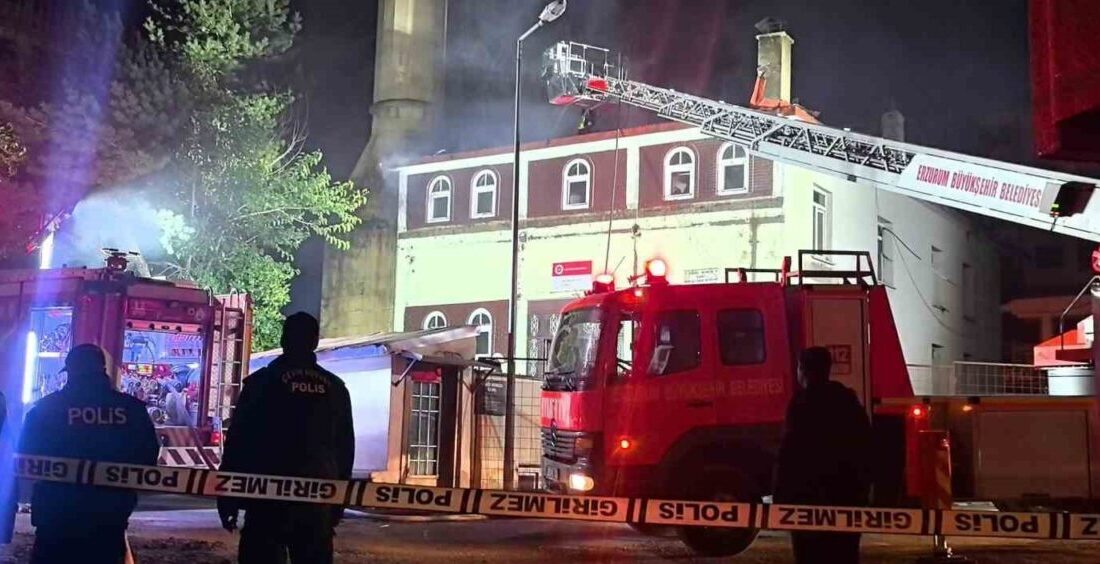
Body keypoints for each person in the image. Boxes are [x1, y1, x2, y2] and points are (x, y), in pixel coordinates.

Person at [218, 312, 354, 564]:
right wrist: (338, 501)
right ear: (314, 342)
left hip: (266, 501)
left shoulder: (261, 383)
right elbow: (345, 450)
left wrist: (228, 498)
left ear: (283, 339)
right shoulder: (335, 389)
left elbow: (238, 443)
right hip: (317, 501)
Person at [19, 344, 160, 564]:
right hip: (109, 514)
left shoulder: (47, 409)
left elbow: (25, 456)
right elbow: (148, 456)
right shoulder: (130, 409)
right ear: (102, 370)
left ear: (70, 371)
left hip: (56, 516)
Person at [774, 346, 873, 564]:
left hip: (808, 502)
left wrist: (781, 494)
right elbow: (866, 445)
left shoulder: (800, 404)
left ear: (802, 371)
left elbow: (790, 452)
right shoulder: (848, 401)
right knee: (845, 555)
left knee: (809, 555)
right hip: (846, 497)